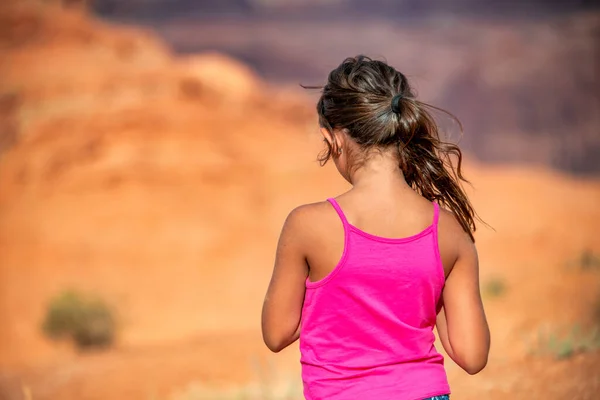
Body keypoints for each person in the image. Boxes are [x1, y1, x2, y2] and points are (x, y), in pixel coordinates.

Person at [261, 55, 490, 400]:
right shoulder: (450, 231)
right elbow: (472, 356)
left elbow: (277, 333)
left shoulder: (307, 225)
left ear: (333, 139)